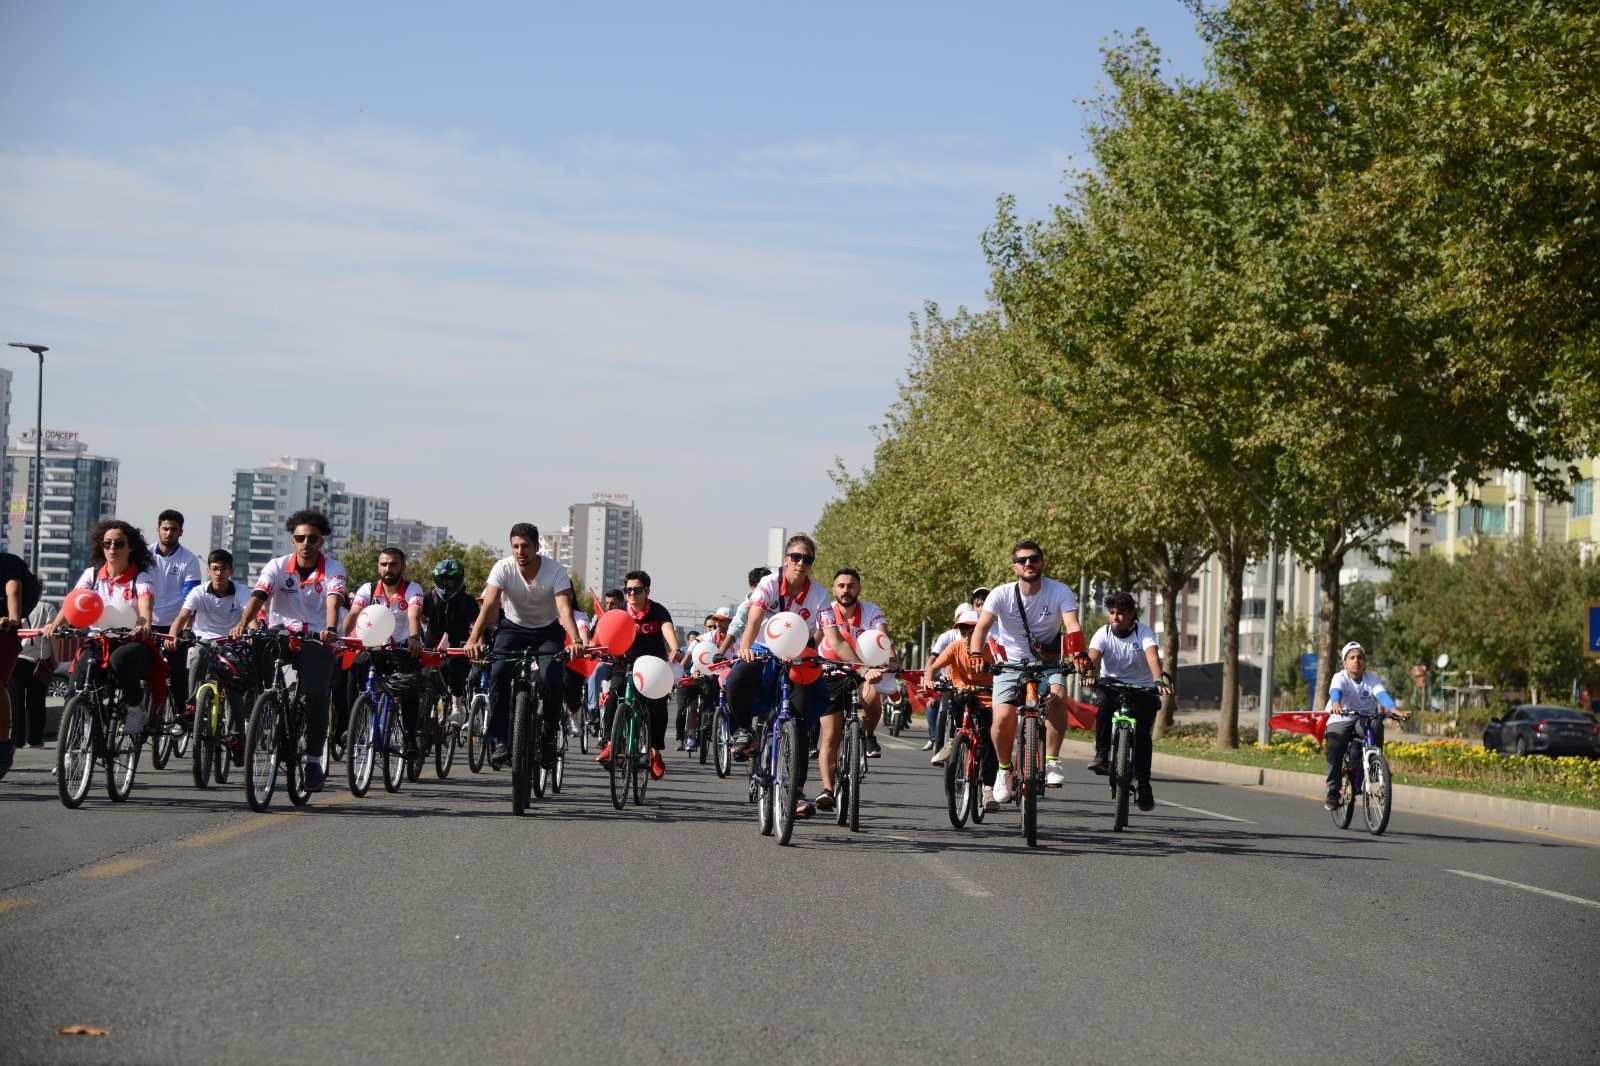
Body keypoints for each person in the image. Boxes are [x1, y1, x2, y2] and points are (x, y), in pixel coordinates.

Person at [230, 509, 347, 791]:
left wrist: (331, 628)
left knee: (317, 695)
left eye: (313, 538)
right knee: (252, 662)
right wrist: (243, 623)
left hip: (317, 636)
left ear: (321, 541)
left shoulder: (333, 568)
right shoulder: (277, 565)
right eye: (300, 537)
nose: (306, 542)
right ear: (293, 540)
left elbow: (333, 600)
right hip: (280, 632)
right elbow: (260, 594)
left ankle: (314, 761)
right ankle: (262, 709)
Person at [966, 540, 1087, 802]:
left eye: (1033, 558)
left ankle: (1052, 761)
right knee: (1001, 719)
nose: (1028, 563)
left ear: (1042, 562)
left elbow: (1072, 626)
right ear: (1014, 567)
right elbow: (982, 628)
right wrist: (976, 653)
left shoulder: (1060, 591)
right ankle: (1003, 770)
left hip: (1048, 663)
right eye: (1022, 560)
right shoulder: (1000, 594)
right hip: (1009, 665)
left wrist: (1079, 654)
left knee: (1057, 696)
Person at [462, 524, 584, 769]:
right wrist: (474, 639)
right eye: (516, 546)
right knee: (497, 673)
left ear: (537, 547)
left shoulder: (556, 571)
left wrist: (577, 641)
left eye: (526, 546)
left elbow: (564, 609)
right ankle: (501, 741)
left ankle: (549, 735)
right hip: (512, 629)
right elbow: (489, 606)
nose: (520, 551)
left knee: (551, 676)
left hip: (547, 630)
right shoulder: (502, 568)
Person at [727, 534, 832, 816]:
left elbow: (832, 634)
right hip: (763, 650)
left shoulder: (820, 593)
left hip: (798, 657)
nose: (801, 563)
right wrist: (746, 647)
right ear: (786, 560)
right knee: (735, 680)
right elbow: (755, 616)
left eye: (807, 559)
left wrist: (860, 663)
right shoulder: (769, 583)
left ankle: (796, 792)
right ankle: (744, 732)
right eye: (796, 557)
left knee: (798, 724)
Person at [42, 520, 162, 736]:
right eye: (107, 544)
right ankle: (75, 749)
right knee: (74, 691)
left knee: (120, 660)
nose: (112, 549)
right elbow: (74, 603)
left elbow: (146, 606)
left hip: (132, 642)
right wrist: (55, 624)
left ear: (131, 547)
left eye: (119, 544)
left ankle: (135, 709)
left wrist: (144, 623)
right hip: (98, 640)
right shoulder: (92, 575)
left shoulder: (140, 578)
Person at [1082, 590, 1173, 812]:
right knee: (1102, 704)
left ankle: (1143, 784)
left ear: (1132, 614)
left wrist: (1158, 679)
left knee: (1142, 735)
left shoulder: (1143, 632)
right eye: (1112, 613)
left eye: (1121, 613)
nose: (1115, 617)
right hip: (1110, 685)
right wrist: (1088, 672)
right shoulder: (1103, 633)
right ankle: (1102, 753)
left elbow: (1152, 656)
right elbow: (1093, 657)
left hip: (1142, 688)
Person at [810, 568, 890, 812]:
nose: (847, 590)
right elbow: (814, 641)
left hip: (863, 671)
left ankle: (868, 736)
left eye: (851, 585)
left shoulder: (872, 611)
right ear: (834, 590)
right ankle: (827, 789)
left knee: (872, 695)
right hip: (830, 674)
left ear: (859, 588)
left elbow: (883, 638)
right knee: (831, 737)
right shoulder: (825, 611)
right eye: (842, 586)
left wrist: (892, 659)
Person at [595, 570, 679, 780]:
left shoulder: (658, 611)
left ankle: (656, 754)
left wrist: (675, 648)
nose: (632, 593)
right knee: (614, 693)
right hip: (625, 661)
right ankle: (610, 743)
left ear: (647, 591)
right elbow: (602, 632)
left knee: (657, 706)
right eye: (628, 589)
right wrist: (591, 648)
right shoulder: (620, 610)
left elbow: (668, 630)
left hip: (653, 664)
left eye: (637, 589)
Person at [344, 546, 426, 753]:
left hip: (404, 648)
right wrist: (343, 637)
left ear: (402, 567)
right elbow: (354, 613)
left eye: (393, 564)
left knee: (409, 686)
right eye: (384, 564)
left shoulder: (412, 588)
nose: (388, 568)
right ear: (379, 567)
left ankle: (408, 737)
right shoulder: (368, 589)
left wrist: (415, 637)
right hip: (375, 647)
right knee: (354, 669)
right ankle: (353, 723)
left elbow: (414, 615)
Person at [170, 549, 254, 749]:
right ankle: (191, 707)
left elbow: (251, 618)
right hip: (204, 642)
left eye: (223, 569)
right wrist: (173, 635)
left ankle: (237, 738)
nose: (219, 573)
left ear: (231, 570)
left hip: (231, 644)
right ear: (209, 571)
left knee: (234, 689)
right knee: (197, 655)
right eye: (215, 569)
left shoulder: (241, 591)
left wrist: (251, 635)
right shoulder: (199, 591)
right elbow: (183, 616)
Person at [926, 605, 999, 807]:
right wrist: (928, 680)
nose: (967, 637)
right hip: (963, 695)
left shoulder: (991, 648)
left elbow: (1004, 667)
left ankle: (988, 790)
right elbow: (933, 666)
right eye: (964, 632)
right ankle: (955, 738)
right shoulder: (955, 647)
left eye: (973, 632)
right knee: (958, 699)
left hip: (987, 698)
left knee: (986, 739)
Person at [1322, 642, 1407, 810]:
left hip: (1363, 718)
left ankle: (1375, 765)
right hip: (1340, 718)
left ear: (1365, 662)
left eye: (1360, 658)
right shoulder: (1340, 677)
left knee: (1376, 724)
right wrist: (1336, 703)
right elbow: (1335, 692)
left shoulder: (1371, 679)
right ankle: (1332, 791)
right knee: (1334, 746)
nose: (1356, 661)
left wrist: (1395, 710)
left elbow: (1382, 694)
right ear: (1344, 663)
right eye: (1352, 658)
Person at [148, 510, 203, 720]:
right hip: (146, 624)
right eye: (165, 528)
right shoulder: (144, 554)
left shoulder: (189, 560)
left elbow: (190, 600)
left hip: (175, 626)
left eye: (174, 529)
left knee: (178, 672)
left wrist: (183, 629)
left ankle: (182, 715)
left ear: (181, 532)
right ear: (158, 529)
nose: (169, 533)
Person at [421, 558, 478, 728]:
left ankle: (457, 707)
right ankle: (427, 711)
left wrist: (476, 645)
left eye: (450, 581)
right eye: (441, 581)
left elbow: (477, 626)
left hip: (458, 649)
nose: (446, 586)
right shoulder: (428, 598)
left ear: (459, 581)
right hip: (432, 649)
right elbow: (414, 616)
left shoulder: (467, 601)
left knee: (455, 667)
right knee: (425, 676)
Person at [0, 551, 42, 779]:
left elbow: (13, 589)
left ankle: (2, 745)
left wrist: (13, 618)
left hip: (3, 631)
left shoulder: (7, 562)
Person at [677, 610, 727, 752]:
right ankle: (691, 736)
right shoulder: (703, 639)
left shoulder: (733, 637)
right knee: (693, 706)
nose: (715, 627)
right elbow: (689, 655)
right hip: (699, 676)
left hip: (722, 677)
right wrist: (677, 674)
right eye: (711, 625)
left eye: (719, 623)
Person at [9, 596, 54, 753]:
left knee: (16, 702)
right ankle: (35, 739)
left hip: (15, 657)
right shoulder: (46, 607)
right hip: (38, 660)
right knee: (37, 701)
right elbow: (52, 633)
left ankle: (17, 739)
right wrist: (55, 658)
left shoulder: (13, 606)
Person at [923, 604, 968, 753]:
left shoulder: (982, 636)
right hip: (948, 681)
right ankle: (940, 748)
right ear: (956, 620)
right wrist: (927, 677)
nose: (968, 635)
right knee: (944, 710)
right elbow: (933, 660)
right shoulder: (948, 638)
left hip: (972, 682)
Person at [586, 588, 624, 726]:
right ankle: (592, 709)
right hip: (605, 661)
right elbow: (593, 641)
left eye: (612, 603)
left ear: (621, 603)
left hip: (622, 662)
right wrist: (589, 651)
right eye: (607, 603)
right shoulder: (599, 618)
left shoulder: (626, 617)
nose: (609, 607)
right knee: (594, 674)